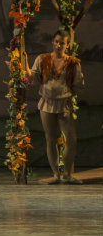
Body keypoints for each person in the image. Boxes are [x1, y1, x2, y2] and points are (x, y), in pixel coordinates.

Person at [25, 29, 85, 185]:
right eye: (57, 42)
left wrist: (72, 98)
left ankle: (67, 174)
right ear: (53, 42)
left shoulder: (73, 63)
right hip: (47, 103)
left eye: (62, 43)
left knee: (71, 139)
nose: (59, 45)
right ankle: (56, 174)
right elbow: (34, 76)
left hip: (64, 103)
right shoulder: (42, 59)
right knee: (51, 139)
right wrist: (24, 64)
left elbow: (78, 84)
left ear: (67, 45)